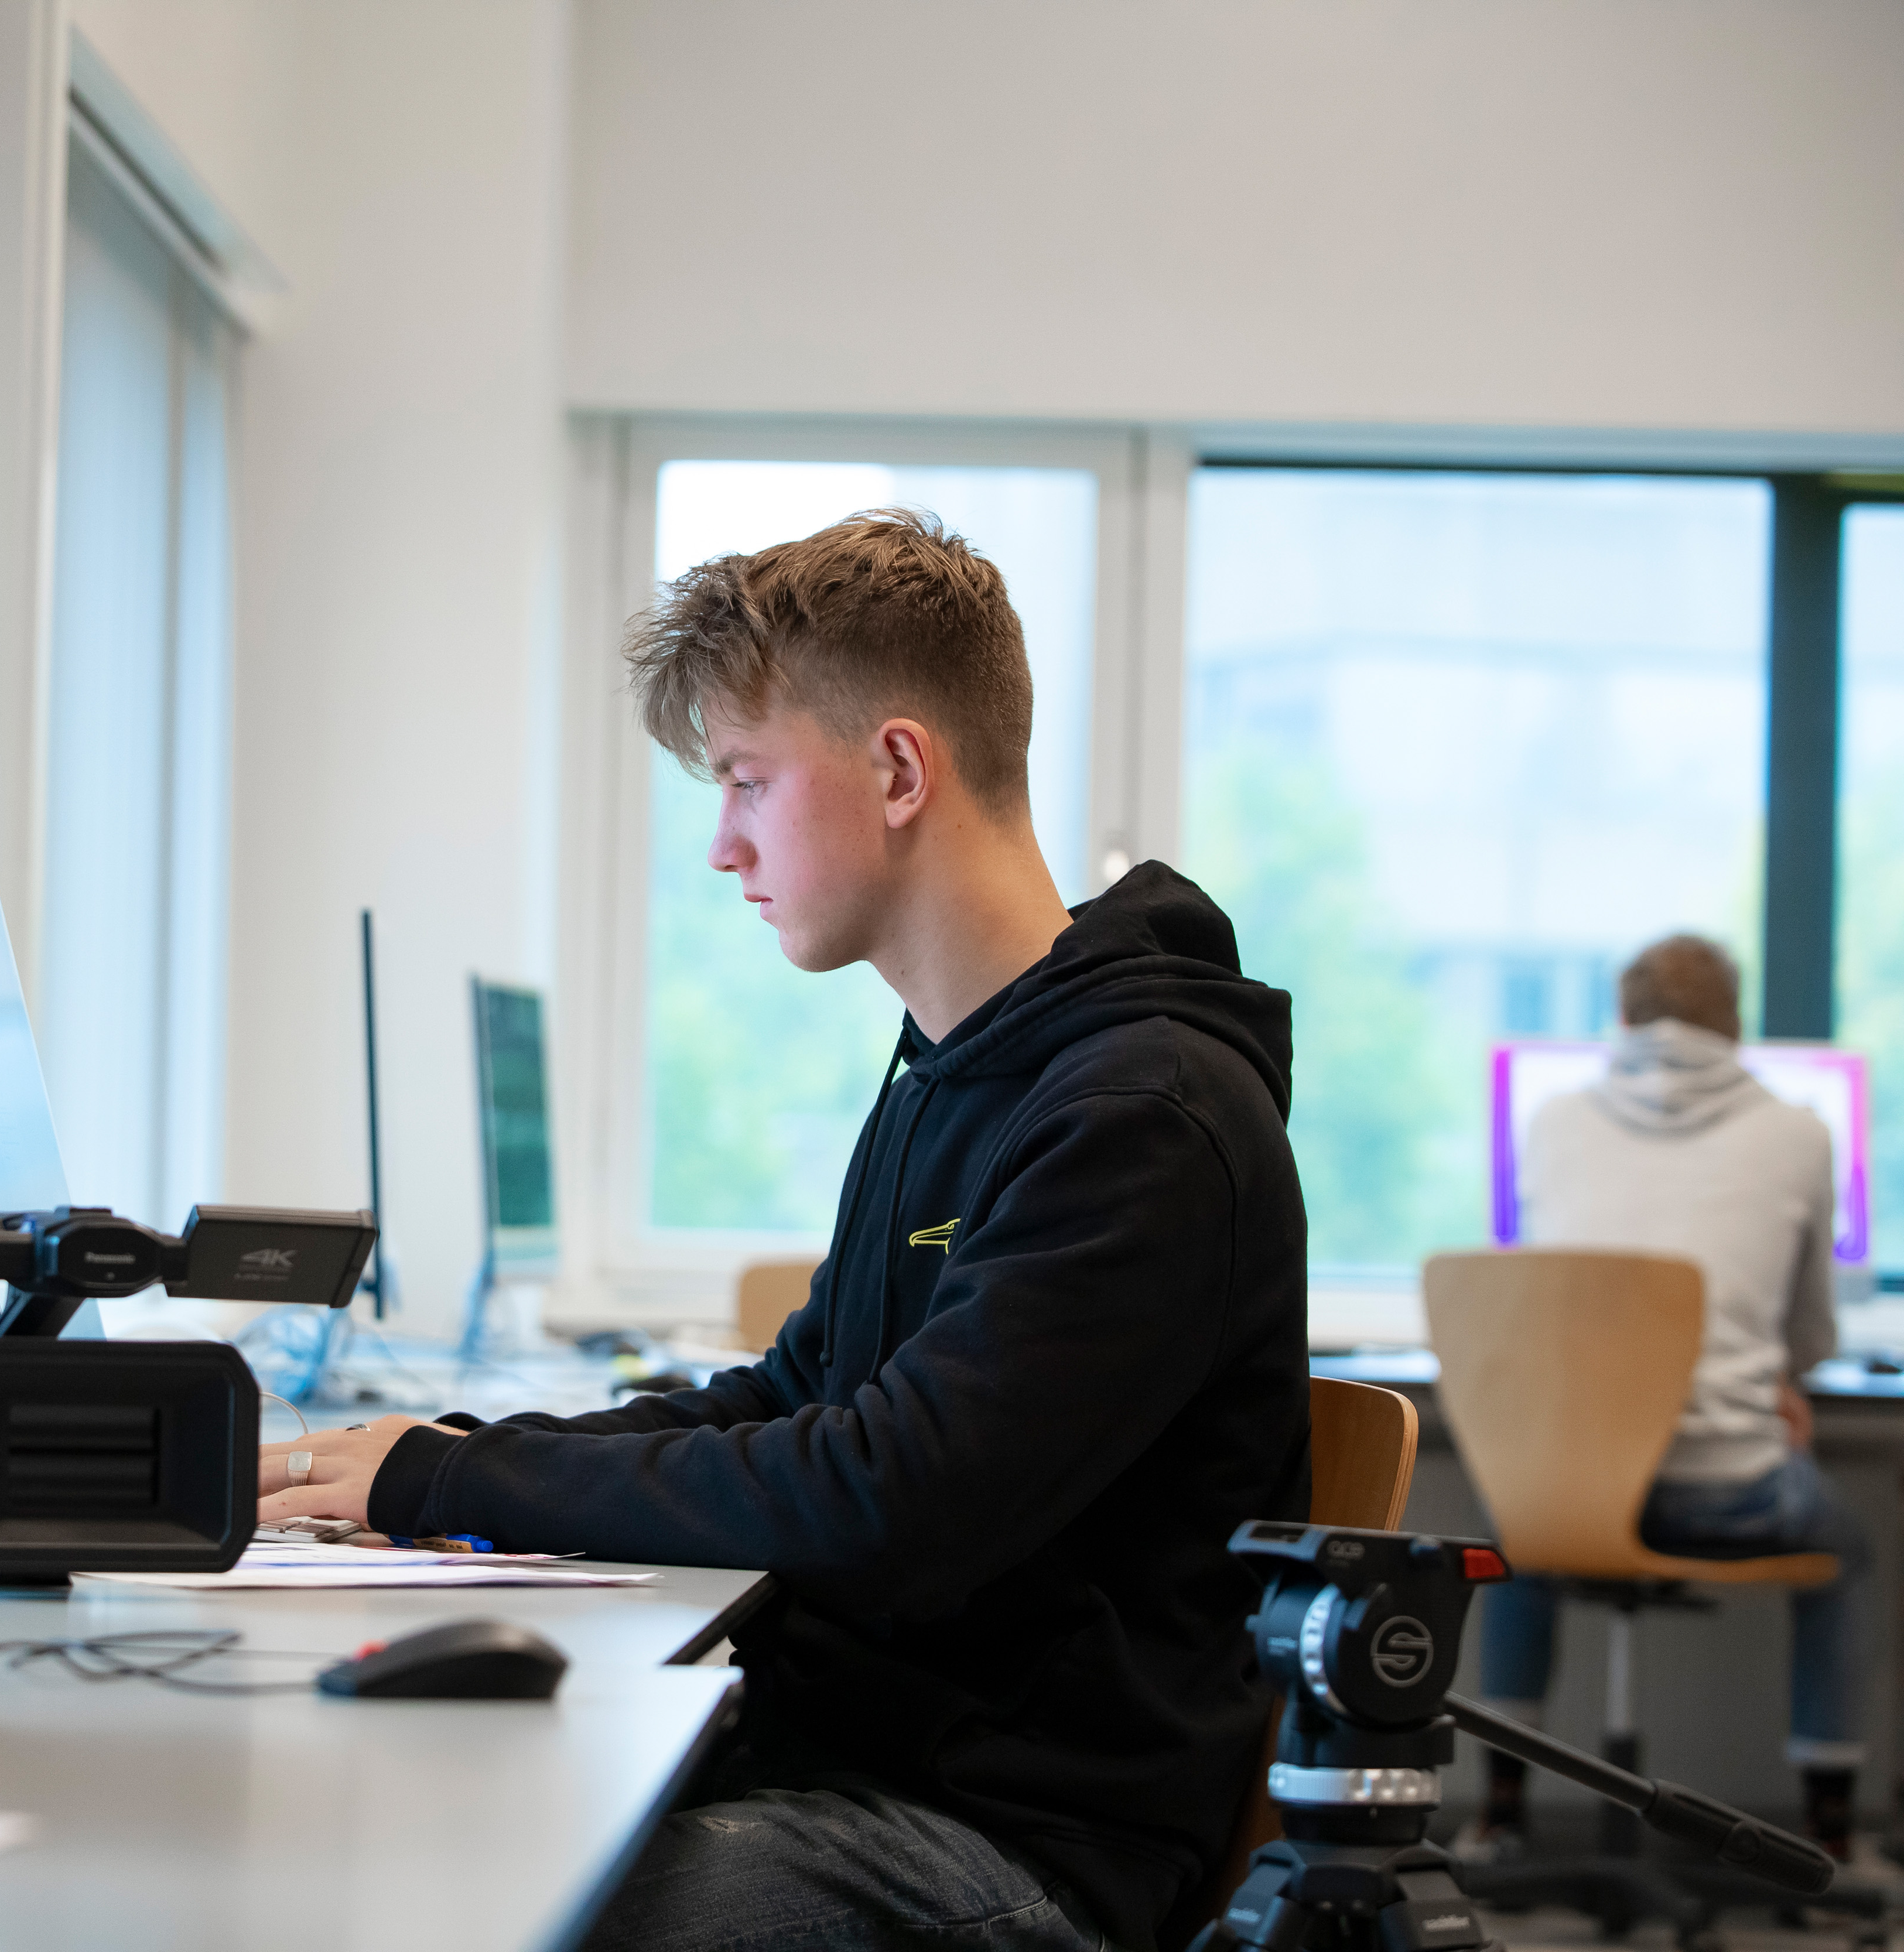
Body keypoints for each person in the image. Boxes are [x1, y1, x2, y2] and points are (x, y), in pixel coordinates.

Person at [260, 510, 1311, 1952]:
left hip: (1019, 1850)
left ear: (895, 769)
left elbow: (888, 1499)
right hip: (857, 1759)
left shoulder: (1144, 1113)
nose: (720, 844)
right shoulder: (955, 1064)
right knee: (385, 1823)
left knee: (486, 1906)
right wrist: (427, 1465)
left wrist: (446, 1479)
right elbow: (799, 1395)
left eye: (747, 781)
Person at [1471, 934, 1869, 1862]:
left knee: (1521, 1514)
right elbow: (1811, 1336)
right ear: (1736, 1024)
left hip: (1568, 1489)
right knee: (1850, 1547)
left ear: (1625, 1019)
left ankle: (1497, 1814)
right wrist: (1776, 1375)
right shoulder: (1800, 1131)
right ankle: (1831, 1833)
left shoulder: (1554, 1121)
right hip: (1724, 1490)